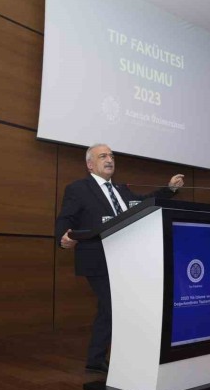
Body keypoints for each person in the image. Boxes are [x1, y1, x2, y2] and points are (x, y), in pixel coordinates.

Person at [55, 143, 184, 373]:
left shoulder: (121, 190)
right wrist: (62, 237)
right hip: (97, 258)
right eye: (103, 156)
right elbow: (65, 218)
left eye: (112, 156)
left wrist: (169, 189)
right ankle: (121, 358)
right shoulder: (78, 189)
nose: (109, 160)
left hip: (125, 259)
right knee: (115, 306)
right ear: (90, 164)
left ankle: (96, 359)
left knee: (109, 309)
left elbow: (143, 203)